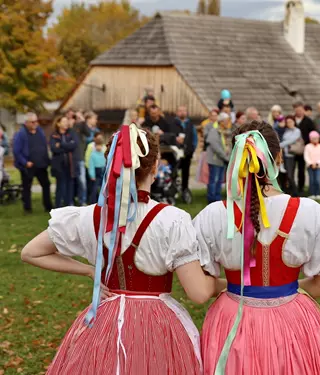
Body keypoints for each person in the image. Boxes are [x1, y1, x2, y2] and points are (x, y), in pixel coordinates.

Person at [21, 125, 221, 374]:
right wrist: (231, 284)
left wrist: (88, 270)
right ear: (156, 165)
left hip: (105, 320)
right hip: (156, 324)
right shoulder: (172, 220)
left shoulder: (90, 215)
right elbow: (199, 293)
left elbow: (30, 252)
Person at [194, 120, 320, 375]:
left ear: (235, 162)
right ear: (278, 157)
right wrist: (281, 289)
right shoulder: (309, 213)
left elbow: (204, 286)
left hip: (233, 318)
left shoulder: (213, 216)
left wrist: (240, 289)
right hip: (293, 319)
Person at [13, 112, 52, 214]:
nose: (35, 123)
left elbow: (44, 146)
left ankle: (48, 206)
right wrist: (25, 162)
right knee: (27, 187)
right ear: (26, 123)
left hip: (41, 164)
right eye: (33, 122)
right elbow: (17, 151)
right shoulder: (21, 134)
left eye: (36, 121)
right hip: (28, 166)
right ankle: (27, 208)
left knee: (46, 185)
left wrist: (46, 159)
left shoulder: (40, 132)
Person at [50, 117, 77, 208]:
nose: (66, 123)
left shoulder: (71, 133)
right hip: (59, 165)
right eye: (64, 121)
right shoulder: (54, 135)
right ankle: (58, 206)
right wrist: (67, 146)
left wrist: (61, 144)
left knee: (70, 184)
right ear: (58, 124)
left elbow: (74, 145)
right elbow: (54, 148)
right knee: (61, 185)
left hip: (70, 164)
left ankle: (68, 205)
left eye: (67, 121)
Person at [206, 112, 231, 203]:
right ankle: (212, 199)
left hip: (222, 160)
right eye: (226, 121)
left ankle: (217, 198)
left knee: (219, 180)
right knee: (214, 180)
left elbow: (228, 145)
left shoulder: (226, 132)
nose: (228, 122)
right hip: (215, 159)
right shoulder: (214, 131)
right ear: (221, 121)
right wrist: (225, 156)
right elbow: (215, 145)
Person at [293, 101, 316, 195]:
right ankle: (291, 187)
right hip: (292, 149)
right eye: (297, 110)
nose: (299, 112)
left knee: (301, 170)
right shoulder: (291, 120)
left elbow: (313, 134)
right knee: (290, 170)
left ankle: (301, 188)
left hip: (304, 149)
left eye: (300, 110)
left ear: (303, 110)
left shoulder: (309, 121)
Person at [174, 105, 198, 193]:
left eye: (184, 110)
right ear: (177, 112)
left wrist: (192, 149)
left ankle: (185, 190)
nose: (182, 112)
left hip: (187, 153)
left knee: (186, 173)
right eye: (180, 110)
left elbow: (195, 138)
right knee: (174, 172)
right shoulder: (173, 123)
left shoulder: (190, 124)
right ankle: (174, 190)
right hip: (175, 153)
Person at [72, 112, 93, 206]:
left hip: (80, 157)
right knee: (71, 182)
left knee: (82, 181)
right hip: (69, 159)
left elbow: (88, 133)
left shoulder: (80, 126)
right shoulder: (69, 128)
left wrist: (83, 121)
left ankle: (82, 200)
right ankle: (71, 200)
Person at [279, 116, 302, 197]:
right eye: (287, 122)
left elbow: (291, 140)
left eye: (290, 122)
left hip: (290, 155)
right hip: (282, 154)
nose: (289, 124)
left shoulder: (297, 131)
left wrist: (279, 145)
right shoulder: (286, 130)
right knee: (282, 173)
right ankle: (285, 191)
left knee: (290, 174)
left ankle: (295, 192)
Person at [304, 130, 320, 200]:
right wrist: (310, 163)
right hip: (310, 166)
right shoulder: (308, 146)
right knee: (311, 180)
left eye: (317, 138)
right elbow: (306, 156)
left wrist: (317, 163)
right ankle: (312, 194)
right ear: (311, 139)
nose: (316, 140)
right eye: (314, 139)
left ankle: (318, 194)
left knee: (317, 180)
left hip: (318, 166)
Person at [88, 135, 106, 204]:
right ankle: (93, 202)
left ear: (102, 145)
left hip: (103, 172)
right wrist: (92, 175)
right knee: (94, 189)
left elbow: (106, 163)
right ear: (95, 146)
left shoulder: (104, 153)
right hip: (96, 173)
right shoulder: (93, 154)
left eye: (100, 145)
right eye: (97, 145)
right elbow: (91, 165)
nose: (98, 147)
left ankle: (103, 202)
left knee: (103, 189)